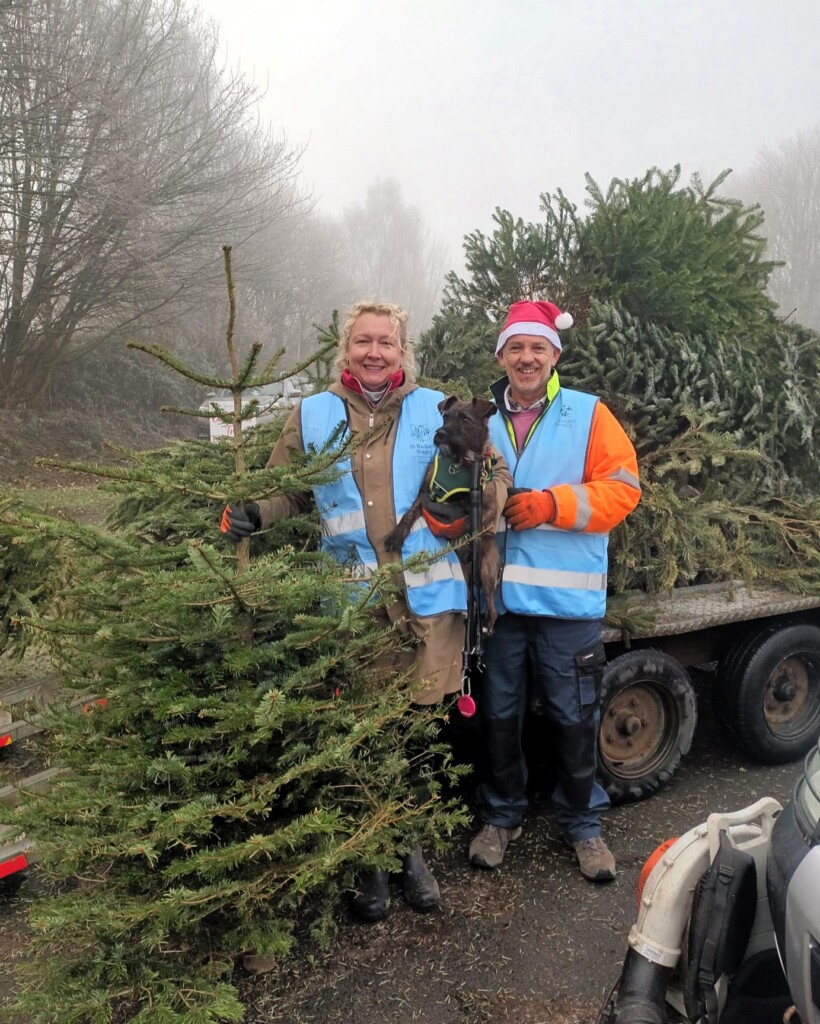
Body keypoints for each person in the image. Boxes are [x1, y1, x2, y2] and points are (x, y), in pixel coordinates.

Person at [220, 299, 510, 921]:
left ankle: (409, 848)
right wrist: (254, 512)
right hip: (354, 609)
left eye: (387, 342)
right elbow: (289, 487)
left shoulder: (439, 405)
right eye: (363, 342)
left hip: (430, 607)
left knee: (415, 735)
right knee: (364, 733)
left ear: (403, 352)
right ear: (345, 349)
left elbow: (492, 470)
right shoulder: (315, 413)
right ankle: (371, 855)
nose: (375, 352)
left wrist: (480, 494)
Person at [468, 299, 641, 882]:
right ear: (500, 356)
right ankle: (500, 817)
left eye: (537, 348)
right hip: (497, 605)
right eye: (515, 348)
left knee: (574, 717)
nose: (526, 358)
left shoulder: (589, 415)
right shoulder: (478, 418)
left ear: (555, 356)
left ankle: (584, 826)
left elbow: (623, 490)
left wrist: (553, 505)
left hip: (567, 606)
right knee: (498, 715)